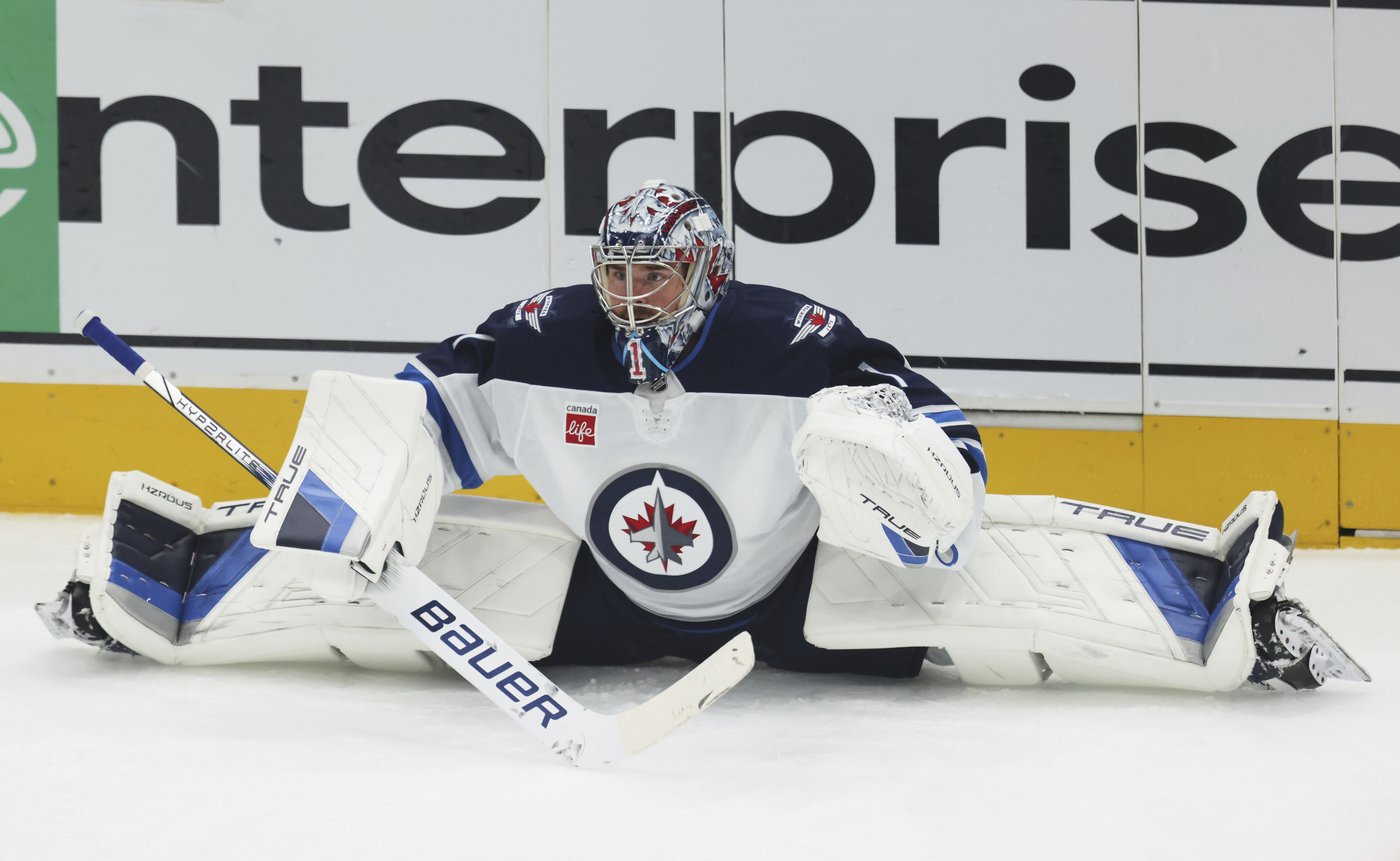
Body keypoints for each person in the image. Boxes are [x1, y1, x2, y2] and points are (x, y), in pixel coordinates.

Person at [37, 182, 1366, 692]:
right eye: (615, 276)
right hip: (605, 601)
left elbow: (954, 450)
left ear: (708, 275)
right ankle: (143, 580)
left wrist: (901, 474)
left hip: (791, 597)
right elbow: (423, 400)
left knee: (1006, 582)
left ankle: (1229, 608)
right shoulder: (544, 335)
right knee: (354, 567)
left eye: (654, 280)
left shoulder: (800, 342)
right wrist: (355, 484)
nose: (629, 301)